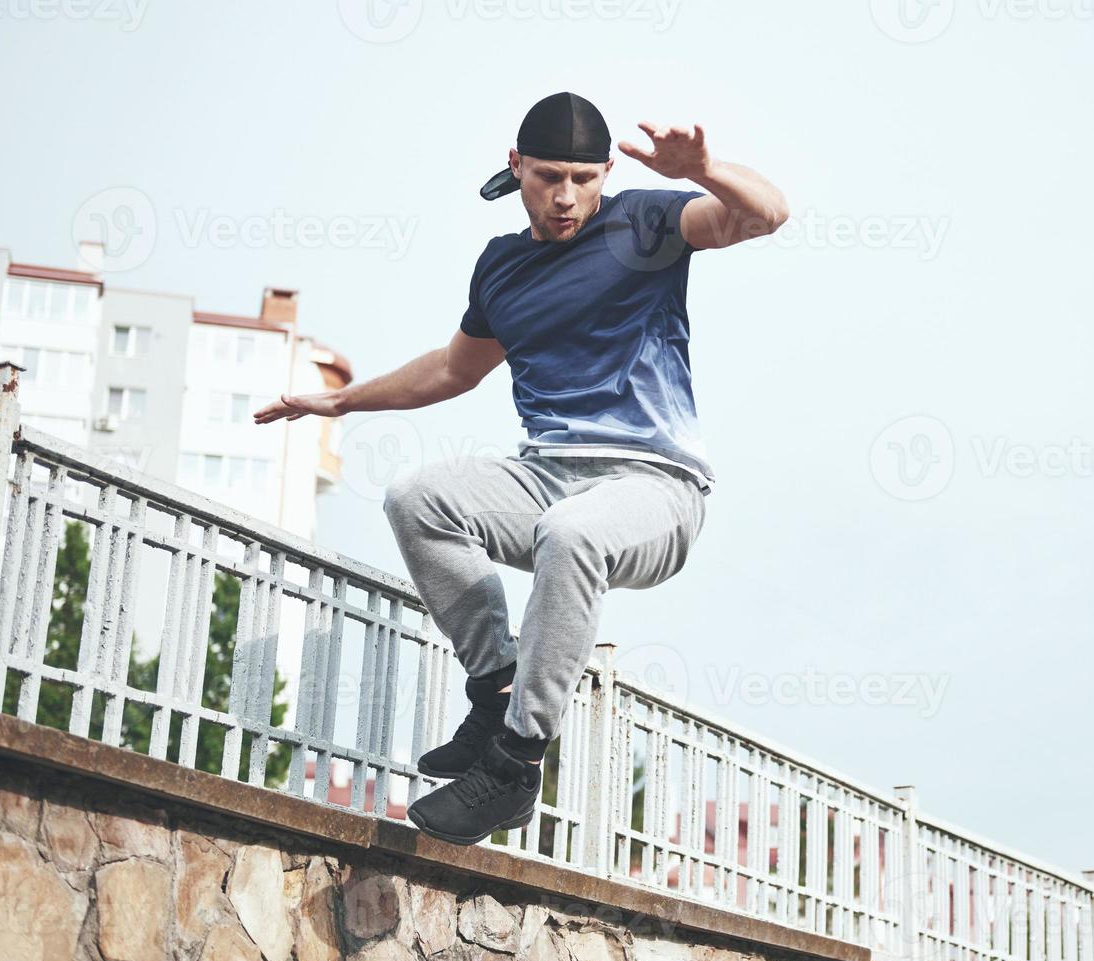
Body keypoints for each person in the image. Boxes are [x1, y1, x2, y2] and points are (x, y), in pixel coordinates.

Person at [253, 91, 788, 846]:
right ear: (517, 168)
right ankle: (495, 685)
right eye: (546, 177)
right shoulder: (502, 268)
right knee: (417, 496)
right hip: (545, 475)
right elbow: (449, 370)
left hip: (655, 488)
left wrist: (705, 169)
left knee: (569, 535)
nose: (566, 197)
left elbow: (763, 215)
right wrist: (338, 402)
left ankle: (514, 761)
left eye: (582, 178)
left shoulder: (646, 222)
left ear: (606, 171)